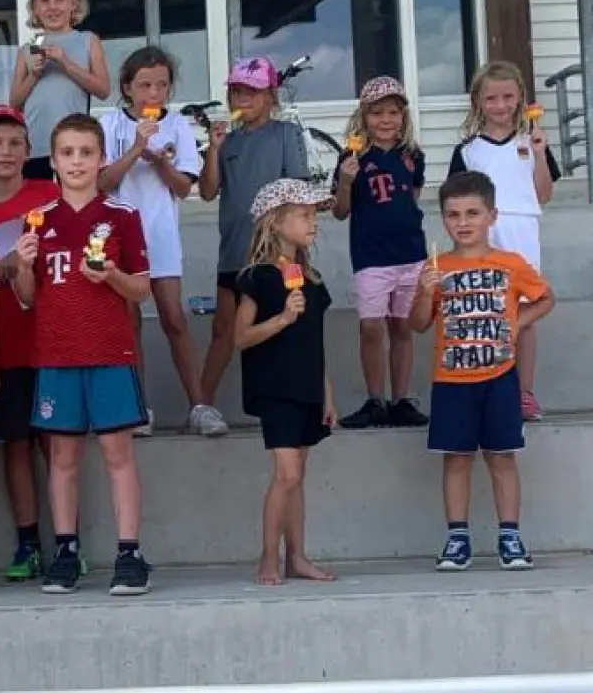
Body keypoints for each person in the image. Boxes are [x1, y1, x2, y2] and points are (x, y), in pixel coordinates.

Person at [10, 114, 153, 597]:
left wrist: (109, 275)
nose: (76, 162)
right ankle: (66, 550)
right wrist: (24, 266)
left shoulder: (121, 215)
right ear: (53, 160)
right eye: (67, 153)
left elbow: (142, 289)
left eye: (85, 153)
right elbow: (28, 297)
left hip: (110, 350)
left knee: (117, 453)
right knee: (62, 455)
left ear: (100, 159)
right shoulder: (39, 220)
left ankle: (130, 552)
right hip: (55, 353)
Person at [410, 171, 554, 572]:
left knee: (502, 456)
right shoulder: (435, 266)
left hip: (499, 377)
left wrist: (517, 323)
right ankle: (458, 538)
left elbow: (545, 298)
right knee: (456, 458)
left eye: (473, 212)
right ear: (443, 220)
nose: (463, 222)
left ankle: (510, 535)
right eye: (453, 214)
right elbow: (417, 323)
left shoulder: (510, 263)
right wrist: (424, 291)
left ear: (492, 215)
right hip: (452, 380)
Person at [100, 47, 226, 437]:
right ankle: (139, 408)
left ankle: (200, 405)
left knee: (173, 317)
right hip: (121, 235)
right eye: (144, 85)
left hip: (161, 234)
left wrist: (161, 162)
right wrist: (137, 148)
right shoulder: (109, 124)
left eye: (161, 85)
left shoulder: (178, 126)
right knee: (128, 321)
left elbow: (183, 186)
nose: (153, 93)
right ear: (127, 87)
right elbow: (102, 182)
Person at [0, 104, 59, 581]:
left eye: (15, 143)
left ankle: (67, 541)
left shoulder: (51, 195)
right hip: (5, 349)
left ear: (29, 151)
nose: (6, 151)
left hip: (56, 344)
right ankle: (27, 543)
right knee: (16, 444)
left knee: (58, 447)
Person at [233, 179, 340, 586]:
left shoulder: (311, 279)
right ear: (276, 222)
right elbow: (241, 337)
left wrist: (326, 394)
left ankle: (297, 556)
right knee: (287, 475)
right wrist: (281, 318)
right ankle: (267, 558)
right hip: (274, 387)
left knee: (299, 479)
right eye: (303, 214)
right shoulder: (259, 277)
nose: (313, 222)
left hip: (307, 387)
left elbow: (317, 344)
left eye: (314, 214)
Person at [447, 61, 560, 421]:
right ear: (478, 101)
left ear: (520, 98)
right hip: (482, 233)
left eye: (508, 97)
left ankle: (523, 392)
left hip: (522, 230)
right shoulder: (467, 151)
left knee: (524, 312)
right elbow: (457, 202)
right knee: (483, 309)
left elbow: (543, 194)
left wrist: (541, 153)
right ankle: (480, 390)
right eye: (491, 98)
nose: (500, 105)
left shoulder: (532, 142)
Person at [198, 57, 311, 415]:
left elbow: (297, 189)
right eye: (235, 92)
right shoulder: (226, 142)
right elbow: (207, 190)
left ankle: (286, 401)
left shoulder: (286, 134)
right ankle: (201, 405)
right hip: (234, 251)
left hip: (279, 253)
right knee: (224, 329)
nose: (242, 99)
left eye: (251, 92)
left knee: (285, 324)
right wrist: (213, 150)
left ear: (270, 95)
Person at [330, 77, 430, 429]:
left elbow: (411, 199)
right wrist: (345, 180)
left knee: (402, 325)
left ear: (403, 116)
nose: (385, 120)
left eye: (393, 113)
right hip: (371, 255)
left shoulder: (412, 155)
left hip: (409, 253)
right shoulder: (351, 157)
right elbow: (340, 211)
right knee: (371, 326)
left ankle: (401, 399)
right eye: (377, 113)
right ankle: (375, 399)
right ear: (364, 117)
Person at [8, 0, 110, 180]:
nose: (52, 7)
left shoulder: (87, 40)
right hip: (36, 148)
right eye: (44, 1)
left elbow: (103, 89)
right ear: (35, 8)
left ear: (73, 3)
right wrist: (34, 75)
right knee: (39, 210)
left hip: (74, 149)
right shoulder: (27, 49)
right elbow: (15, 103)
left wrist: (65, 63)